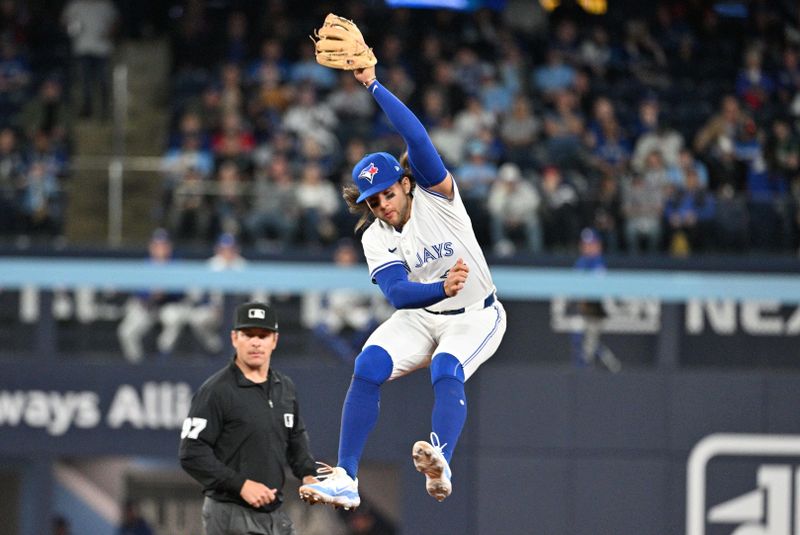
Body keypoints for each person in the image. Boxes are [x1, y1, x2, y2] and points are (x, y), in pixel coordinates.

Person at [299, 56, 507, 509]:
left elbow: (415, 136)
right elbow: (396, 294)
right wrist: (440, 289)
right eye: (373, 201)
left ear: (406, 183)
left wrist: (373, 85)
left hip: (477, 316)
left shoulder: (437, 196)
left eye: (388, 193)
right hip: (423, 311)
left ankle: (442, 462)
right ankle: (346, 477)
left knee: (445, 368)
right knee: (367, 365)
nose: (382, 205)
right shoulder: (376, 236)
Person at [180, 301, 318, 535]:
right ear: (234, 338)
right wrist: (240, 484)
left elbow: (295, 436)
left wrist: (308, 474)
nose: (255, 341)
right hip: (230, 512)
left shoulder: (284, 387)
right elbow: (191, 453)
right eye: (248, 334)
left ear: (274, 340)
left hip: (273, 512)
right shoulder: (215, 390)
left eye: (263, 335)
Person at [570, 228, 621, 373]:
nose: (588, 247)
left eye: (591, 244)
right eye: (585, 244)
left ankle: (608, 364)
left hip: (597, 309)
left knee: (588, 343)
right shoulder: (581, 262)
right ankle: (605, 363)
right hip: (583, 308)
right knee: (581, 339)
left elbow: (597, 286)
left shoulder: (599, 263)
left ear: (598, 245)